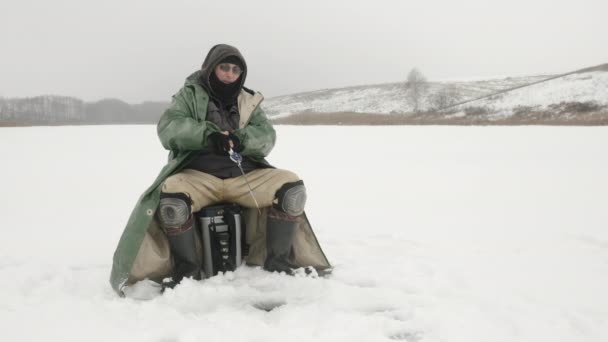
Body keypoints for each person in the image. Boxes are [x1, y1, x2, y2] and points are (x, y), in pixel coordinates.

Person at [109, 44, 330, 295]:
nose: (229, 74)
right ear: (211, 68)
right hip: (199, 177)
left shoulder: (249, 101)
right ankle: (187, 270)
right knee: (172, 197)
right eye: (224, 67)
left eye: (236, 69)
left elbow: (267, 136)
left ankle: (277, 261)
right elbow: (169, 128)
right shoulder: (188, 96)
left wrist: (241, 139)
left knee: (291, 187)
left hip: (243, 177)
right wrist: (207, 136)